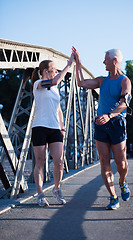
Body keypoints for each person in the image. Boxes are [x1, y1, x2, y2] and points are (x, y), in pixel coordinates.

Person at [72, 46, 131, 210]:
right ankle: (113, 197)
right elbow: (80, 82)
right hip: (100, 125)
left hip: (116, 124)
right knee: (104, 162)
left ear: (114, 61)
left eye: (105, 59)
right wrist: (78, 63)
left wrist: (110, 115)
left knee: (121, 163)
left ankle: (122, 181)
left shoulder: (125, 81)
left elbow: (124, 103)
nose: (103, 62)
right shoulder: (102, 81)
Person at [31, 53, 74, 207]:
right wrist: (69, 64)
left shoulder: (55, 90)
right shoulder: (38, 84)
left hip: (55, 128)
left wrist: (62, 127)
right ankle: (41, 194)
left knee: (59, 162)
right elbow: (55, 81)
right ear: (45, 71)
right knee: (41, 162)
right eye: (53, 69)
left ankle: (57, 189)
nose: (56, 72)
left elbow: (59, 110)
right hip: (40, 127)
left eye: (57, 70)